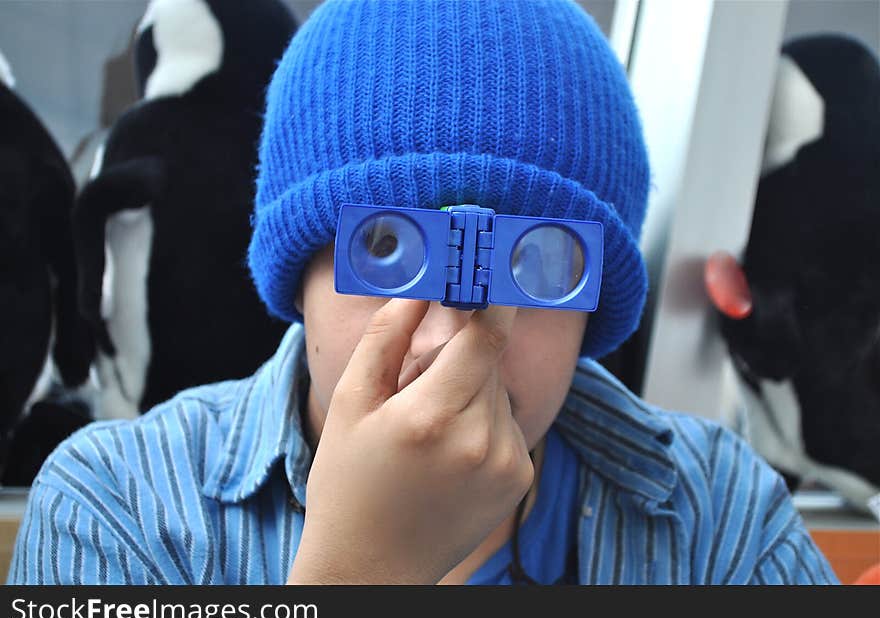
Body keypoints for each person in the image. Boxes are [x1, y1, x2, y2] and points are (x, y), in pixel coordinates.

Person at [8, 0, 837, 585]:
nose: (448, 338)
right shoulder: (117, 509)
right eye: (387, 246)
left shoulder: (722, 517)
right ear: (300, 275)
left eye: (539, 260)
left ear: (595, 306)